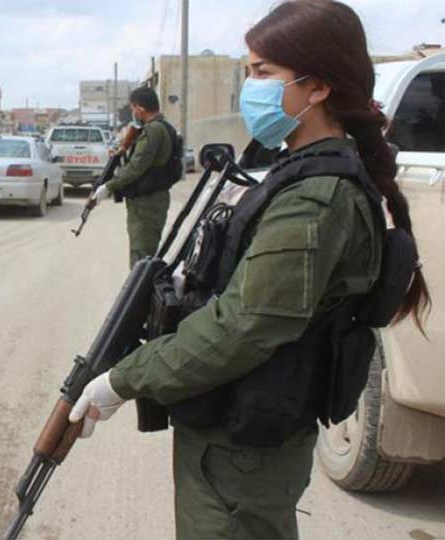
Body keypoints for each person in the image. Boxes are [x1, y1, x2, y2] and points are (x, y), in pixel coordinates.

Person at [67, 2, 431, 539]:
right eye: (248, 71)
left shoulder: (316, 198)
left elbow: (244, 326)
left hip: (243, 449)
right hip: (234, 430)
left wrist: (124, 379)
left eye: (263, 72)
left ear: (318, 87)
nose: (250, 87)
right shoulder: (297, 174)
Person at [89, 87, 179, 267]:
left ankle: (141, 286)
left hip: (146, 204)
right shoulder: (164, 127)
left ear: (140, 108)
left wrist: (109, 186)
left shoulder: (153, 130)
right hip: (151, 200)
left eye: (133, 109)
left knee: (141, 258)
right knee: (145, 255)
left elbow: (136, 166)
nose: (133, 113)